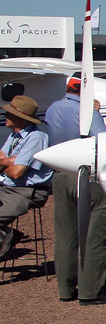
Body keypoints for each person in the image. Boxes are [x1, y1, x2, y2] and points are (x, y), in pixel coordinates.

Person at [45, 76, 106, 305]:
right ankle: (90, 290)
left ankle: (65, 288)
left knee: (65, 235)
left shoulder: (53, 109)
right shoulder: (89, 113)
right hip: (87, 175)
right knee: (95, 234)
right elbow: (104, 141)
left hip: (61, 175)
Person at [0, 95, 51, 259]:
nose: (5, 116)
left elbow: (17, 173)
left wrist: (4, 163)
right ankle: (6, 237)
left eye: (9, 114)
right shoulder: (14, 135)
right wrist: (10, 161)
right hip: (7, 187)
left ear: (20, 118)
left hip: (26, 190)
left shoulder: (36, 137)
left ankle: (6, 238)